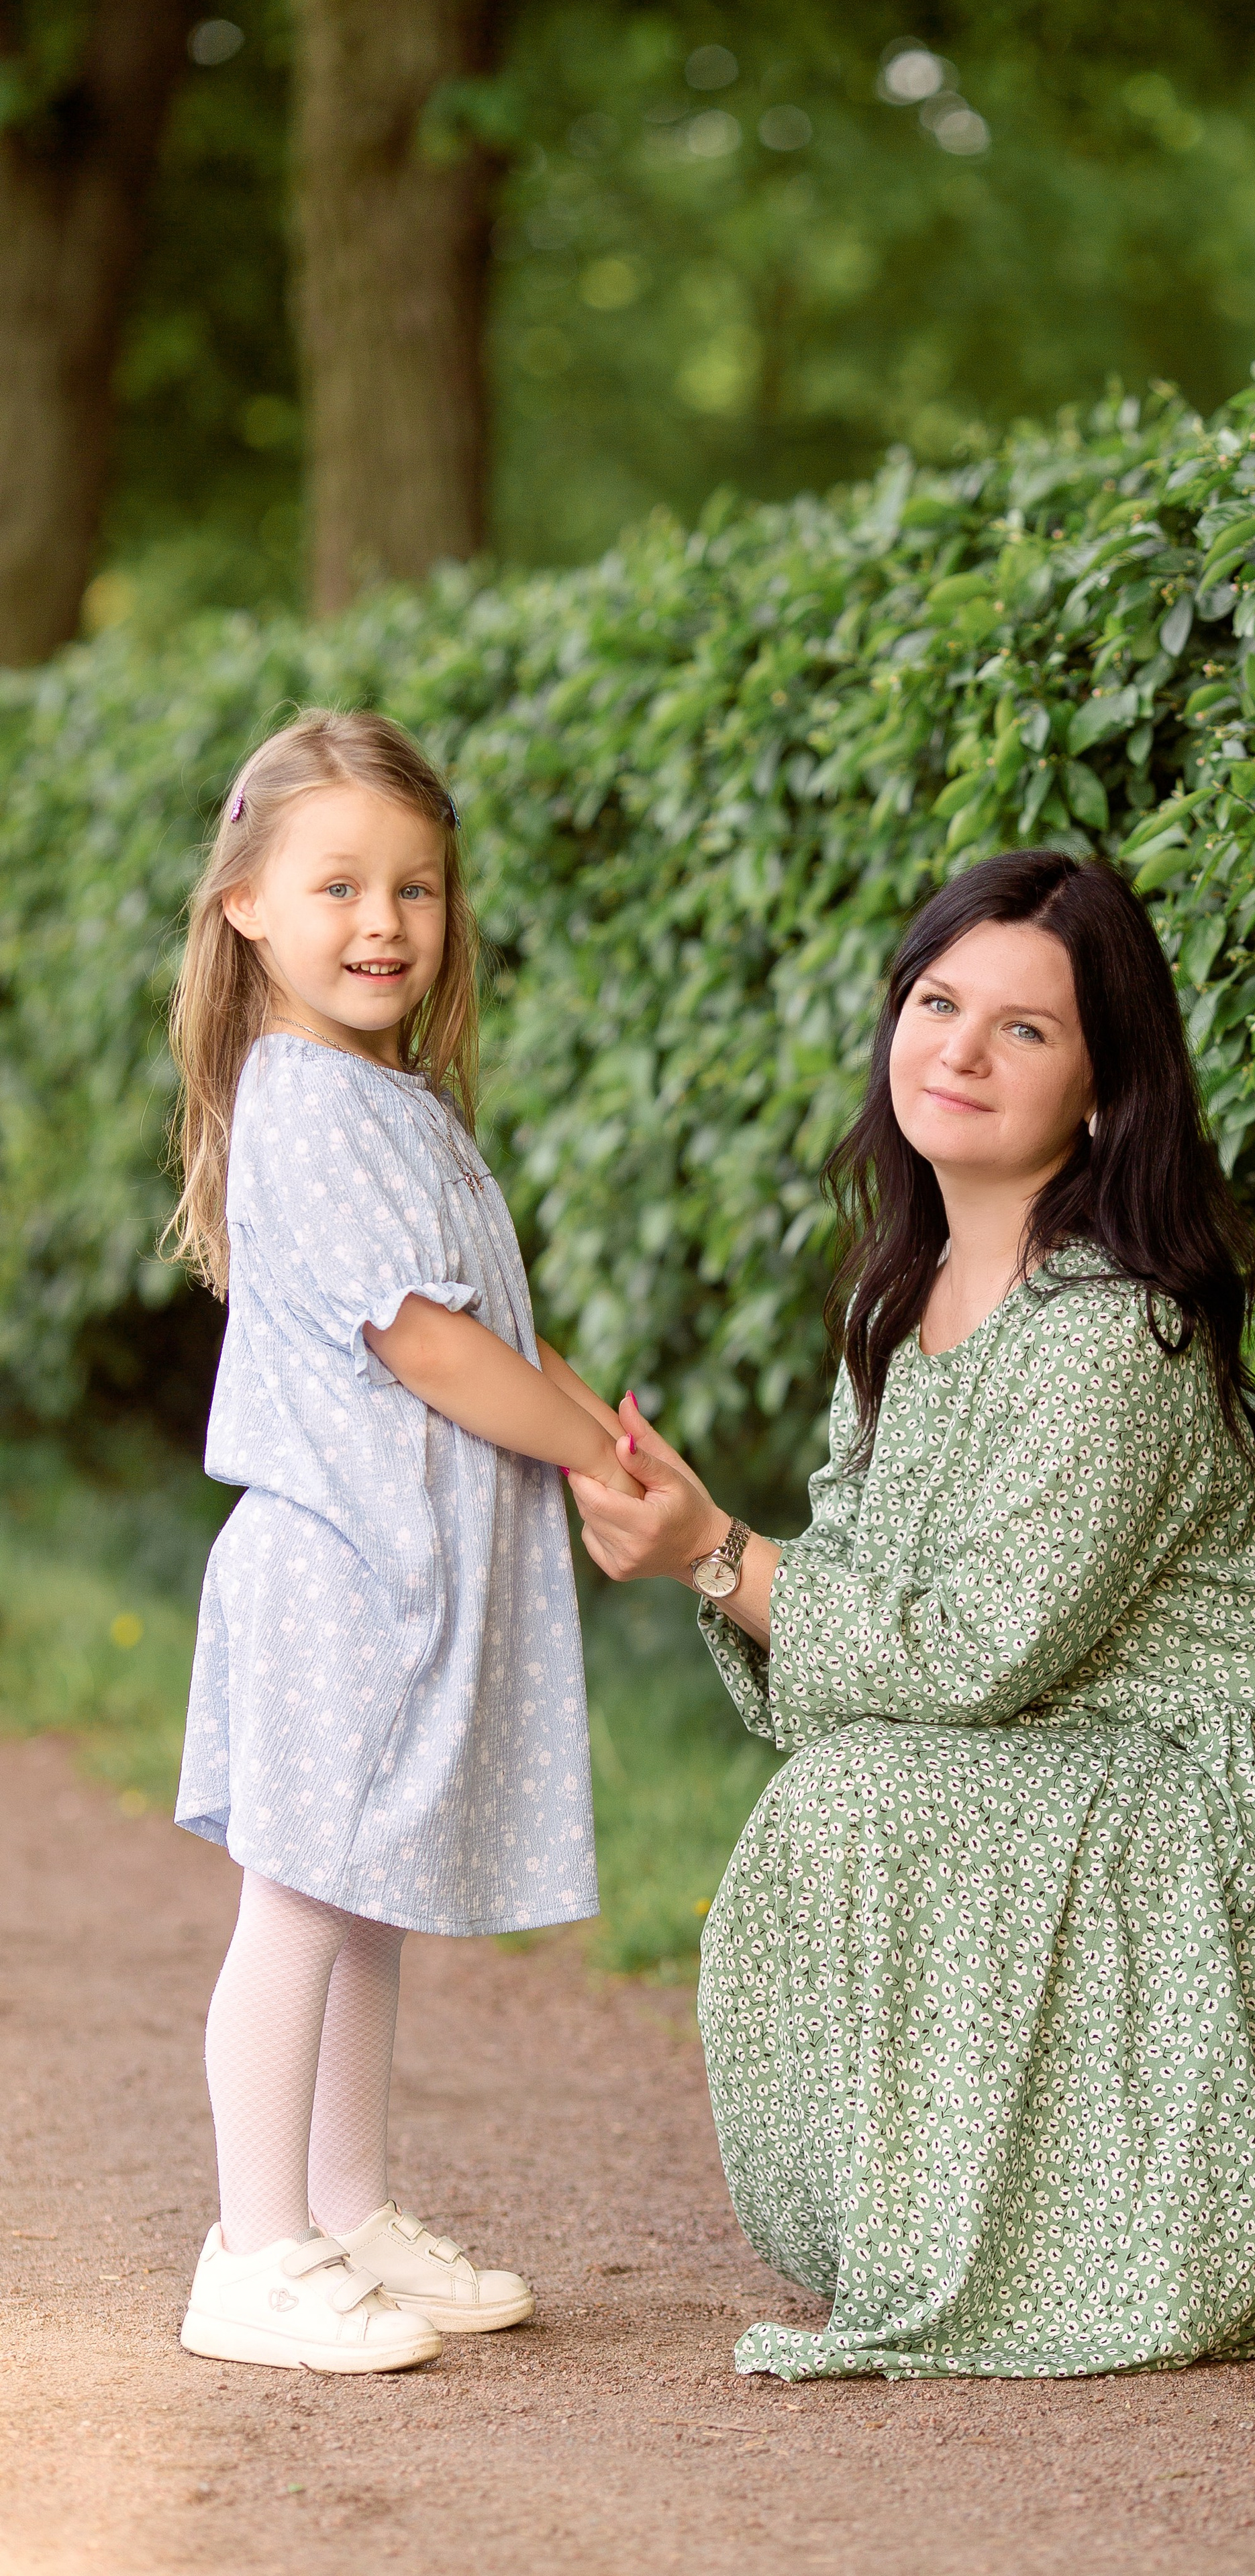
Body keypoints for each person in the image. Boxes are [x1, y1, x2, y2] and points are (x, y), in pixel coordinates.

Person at [574, 848, 1255, 2383]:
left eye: (1024, 1029)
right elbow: (847, 1646)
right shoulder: (900, 1313)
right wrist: (700, 1545)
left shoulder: (1117, 1333)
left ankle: (1131, 2233)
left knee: (859, 1801)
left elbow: (969, 1654)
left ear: (1103, 1092)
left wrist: (715, 1549)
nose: (962, 1050)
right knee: (842, 1792)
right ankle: (942, 2221)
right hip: (1094, 1754)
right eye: (936, 1003)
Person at [166, 709, 638, 2374]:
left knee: (358, 1901)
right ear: (247, 906)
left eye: (416, 890)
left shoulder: (388, 1097)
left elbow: (487, 1319)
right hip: (336, 1577)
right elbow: (425, 1345)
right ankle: (254, 2248)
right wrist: (586, 1446)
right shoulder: (304, 1100)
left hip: (393, 1579)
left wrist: (597, 1421)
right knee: (299, 1906)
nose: (383, 924)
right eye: (339, 887)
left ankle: (344, 2212)